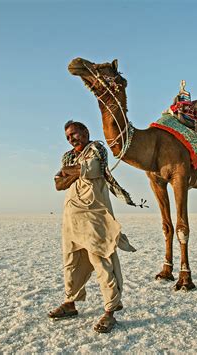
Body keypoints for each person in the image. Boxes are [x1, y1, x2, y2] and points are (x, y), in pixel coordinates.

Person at [49, 120, 136, 333]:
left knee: (102, 260)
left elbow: (92, 169)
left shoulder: (97, 148)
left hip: (94, 214)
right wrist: (72, 171)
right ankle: (70, 303)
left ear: (85, 132)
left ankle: (110, 310)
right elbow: (59, 183)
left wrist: (71, 172)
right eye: (68, 136)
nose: (71, 139)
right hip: (72, 217)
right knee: (71, 260)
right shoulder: (68, 156)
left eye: (75, 134)